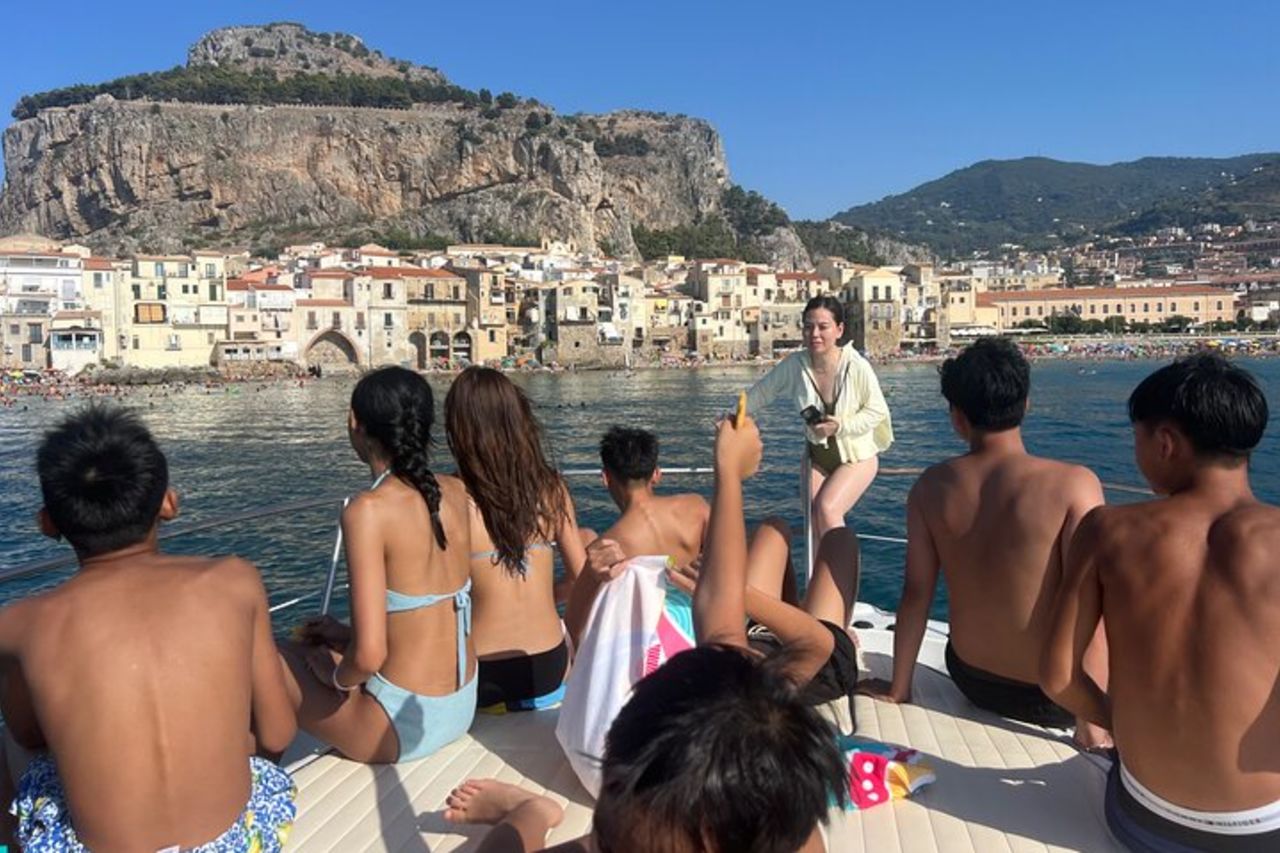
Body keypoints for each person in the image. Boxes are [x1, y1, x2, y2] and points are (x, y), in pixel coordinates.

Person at [443, 413, 847, 852]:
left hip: (728, 647)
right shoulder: (799, 838)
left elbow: (585, 633)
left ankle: (533, 811)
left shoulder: (614, 541)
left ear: (606, 479)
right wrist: (728, 476)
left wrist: (528, 814)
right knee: (811, 538)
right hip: (750, 638)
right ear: (656, 473)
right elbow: (736, 628)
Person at [0, 406, 297, 851]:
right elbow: (277, 734)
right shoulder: (236, 579)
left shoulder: (18, 624)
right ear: (169, 503)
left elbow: (28, 737)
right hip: (234, 841)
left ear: (48, 524)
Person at [1042, 354, 1280, 851]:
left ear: (1165, 442)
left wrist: (1123, 723)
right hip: (1263, 831)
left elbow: (1058, 675)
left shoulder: (1107, 531)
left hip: (1146, 820)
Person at [860, 338, 1109, 746]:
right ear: (1025, 404)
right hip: (1055, 696)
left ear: (958, 418)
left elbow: (916, 595)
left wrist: (897, 688)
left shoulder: (929, 488)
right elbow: (1089, 609)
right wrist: (1091, 727)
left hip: (971, 679)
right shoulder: (1074, 485)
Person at [281, 366, 475, 763]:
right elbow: (424, 612)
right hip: (460, 707)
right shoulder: (456, 491)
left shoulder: (367, 511)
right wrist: (345, 635)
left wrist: (335, 678)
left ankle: (259, 786)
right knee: (317, 646)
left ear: (355, 424)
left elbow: (369, 657)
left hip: (399, 728)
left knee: (271, 656)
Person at [444, 367, 586, 712]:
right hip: (549, 667)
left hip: (483, 676)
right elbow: (583, 578)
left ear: (459, 430)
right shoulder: (551, 489)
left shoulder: (451, 497)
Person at [745, 294, 893, 556]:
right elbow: (761, 393)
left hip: (858, 458)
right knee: (813, 522)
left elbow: (877, 411)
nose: (814, 333)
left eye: (823, 326)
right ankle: (817, 589)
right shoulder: (795, 365)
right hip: (817, 457)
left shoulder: (856, 366)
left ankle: (840, 588)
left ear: (839, 330)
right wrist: (732, 415)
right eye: (808, 326)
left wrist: (840, 426)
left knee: (827, 509)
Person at [563, 426, 709, 648]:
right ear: (657, 474)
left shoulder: (606, 547)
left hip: (652, 643)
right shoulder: (696, 507)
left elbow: (574, 627)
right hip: (702, 623)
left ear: (605, 478)